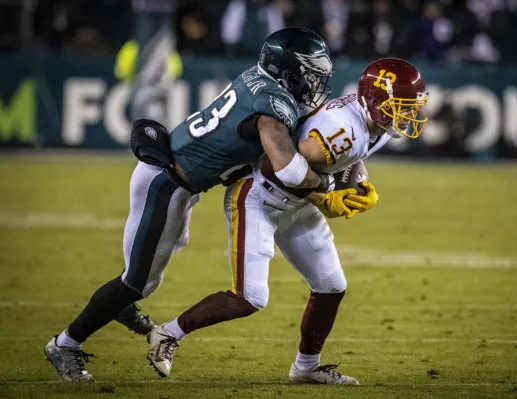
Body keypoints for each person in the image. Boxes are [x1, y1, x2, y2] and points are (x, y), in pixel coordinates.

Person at [44, 27, 348, 382]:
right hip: (165, 184)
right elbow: (290, 170)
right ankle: (65, 344)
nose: (314, 82)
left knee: (142, 278)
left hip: (181, 184)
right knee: (136, 282)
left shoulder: (259, 80)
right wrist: (327, 183)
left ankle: (118, 305)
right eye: (309, 73)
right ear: (287, 70)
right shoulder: (272, 105)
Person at [145, 58, 429, 385]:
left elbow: (352, 159)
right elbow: (276, 166)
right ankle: (167, 334)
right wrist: (325, 194)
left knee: (331, 286)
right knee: (249, 297)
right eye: (403, 106)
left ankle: (306, 367)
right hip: (259, 198)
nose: (409, 115)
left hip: (295, 206)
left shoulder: (372, 124)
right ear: (376, 102)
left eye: (412, 107)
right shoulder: (342, 129)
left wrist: (359, 181)